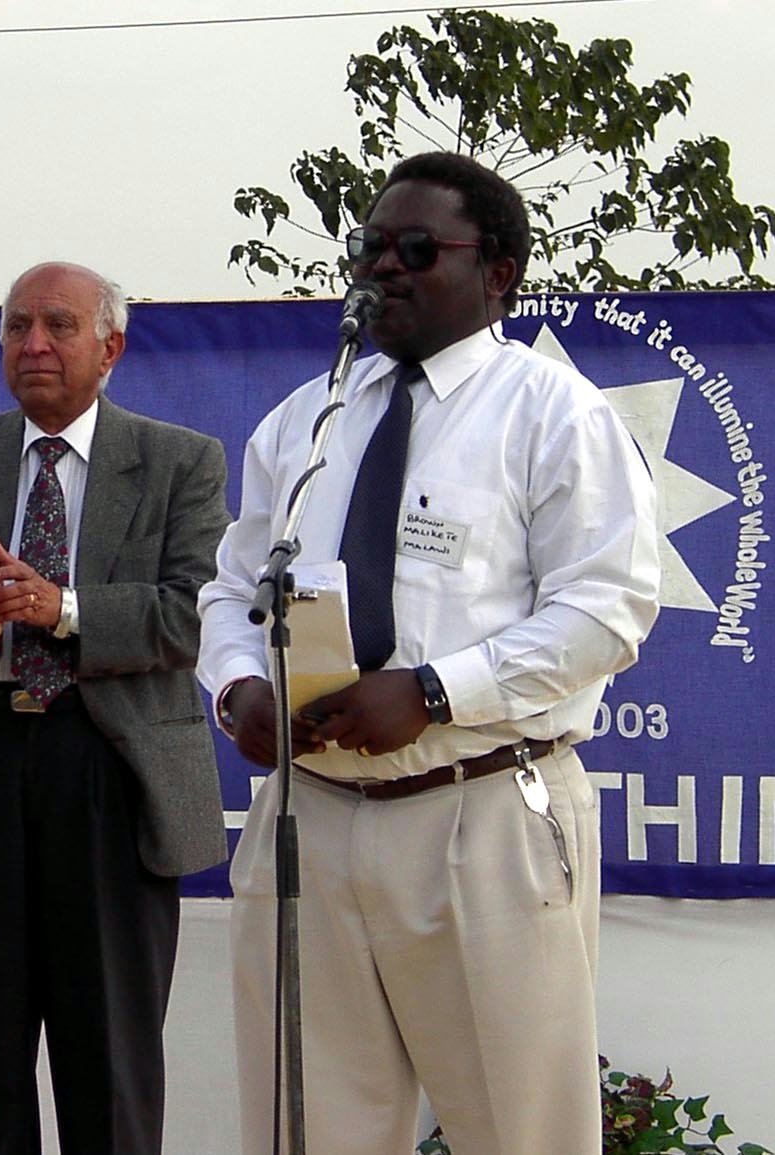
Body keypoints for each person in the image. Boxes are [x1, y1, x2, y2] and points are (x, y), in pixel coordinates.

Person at [198, 151, 660, 1155]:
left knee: (519, 1131)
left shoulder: (552, 412)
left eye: (416, 249)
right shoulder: (307, 417)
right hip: (309, 816)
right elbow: (232, 588)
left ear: (498, 273)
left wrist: (435, 691)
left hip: (479, 809)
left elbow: (608, 608)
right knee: (305, 1128)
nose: (383, 267)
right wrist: (238, 688)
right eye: (369, 247)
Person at [0, 261, 230, 1154]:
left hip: (112, 769)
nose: (33, 344)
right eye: (16, 326)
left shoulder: (179, 460)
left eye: (58, 326)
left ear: (111, 347)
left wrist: (62, 608)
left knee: (109, 1054)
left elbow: (194, 612)